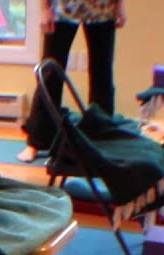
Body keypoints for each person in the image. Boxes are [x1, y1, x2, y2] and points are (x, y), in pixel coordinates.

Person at [17, 0, 126, 163]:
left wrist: (120, 6)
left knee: (102, 74)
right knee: (50, 73)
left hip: (103, 8)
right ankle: (37, 141)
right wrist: (45, 8)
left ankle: (101, 138)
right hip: (63, 8)